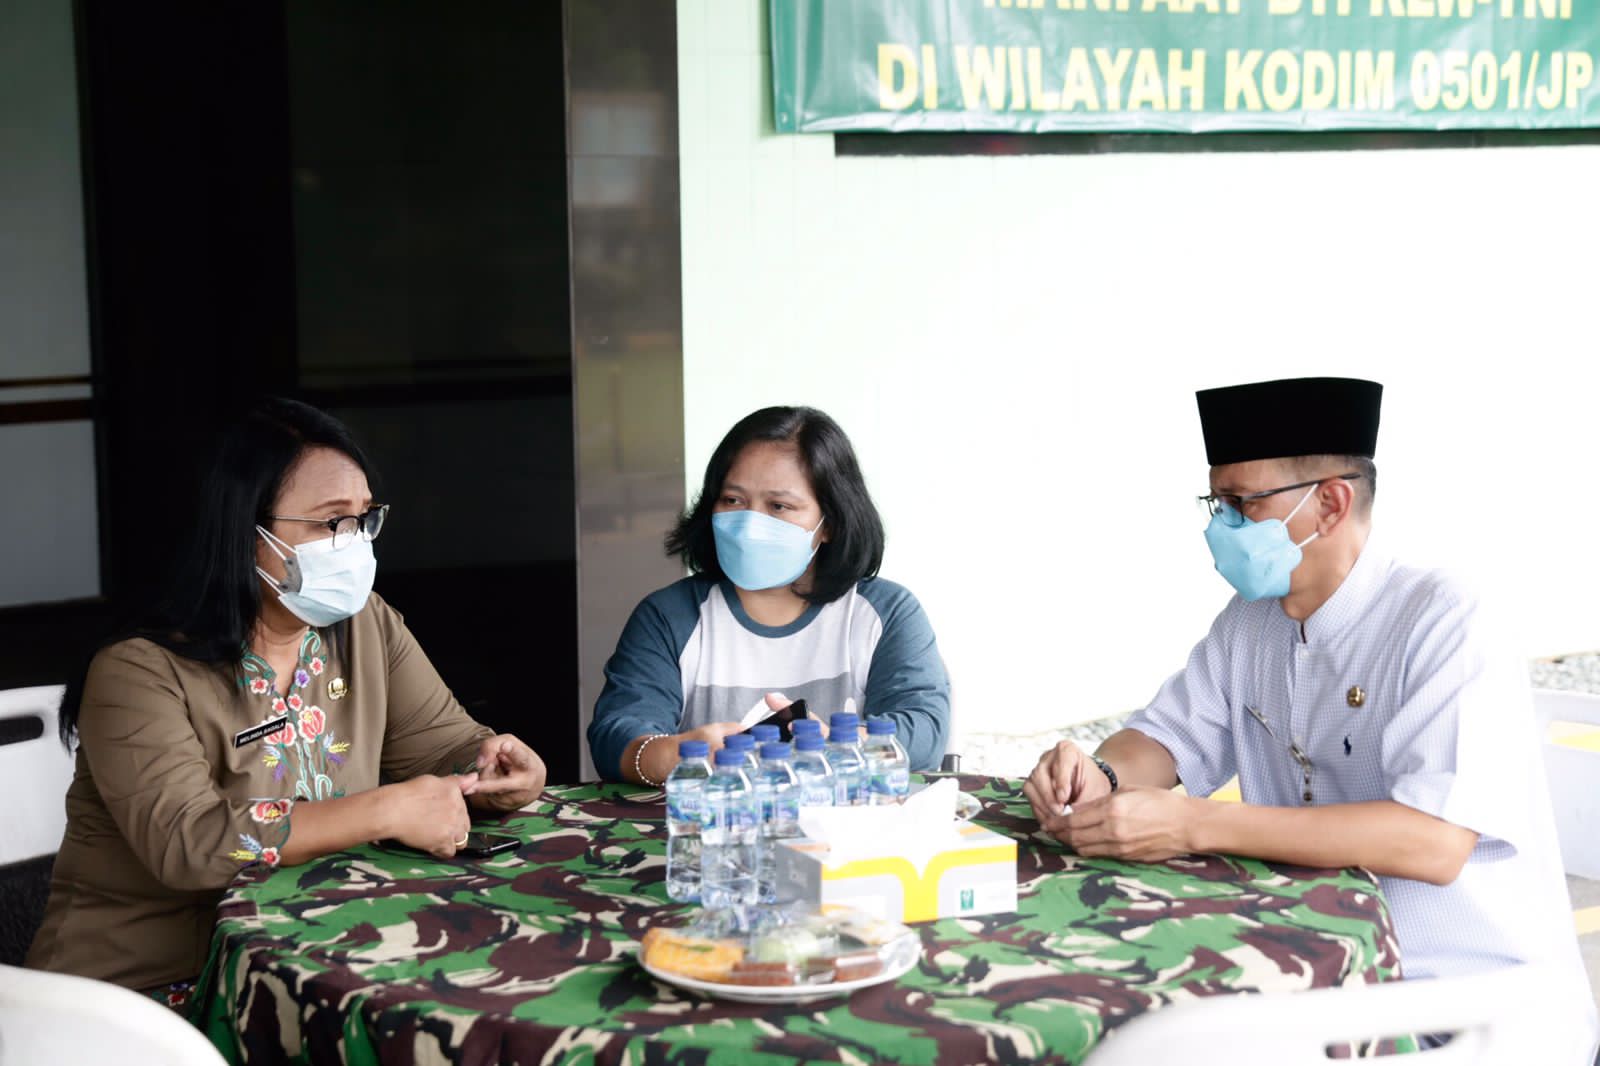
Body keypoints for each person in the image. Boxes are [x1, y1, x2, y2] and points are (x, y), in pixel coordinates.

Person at [1024, 376, 1597, 1060]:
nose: (1220, 528)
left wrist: (1192, 823)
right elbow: (1167, 737)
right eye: (1215, 504)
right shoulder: (1250, 623)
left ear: (1329, 503)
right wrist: (1100, 774)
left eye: (1242, 504)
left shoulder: (1443, 617)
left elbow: (1433, 843)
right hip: (1317, 969)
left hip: (1464, 1005)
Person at [26, 398, 547, 1000]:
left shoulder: (364, 625)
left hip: (318, 961)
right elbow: (188, 843)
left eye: (363, 519)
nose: (352, 543)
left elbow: (438, 743)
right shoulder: (137, 671)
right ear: (243, 532)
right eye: (331, 523)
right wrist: (384, 810)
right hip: (144, 992)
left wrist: (491, 768)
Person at [588, 405, 950, 785]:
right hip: (712, 816)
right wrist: (674, 754)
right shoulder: (668, 615)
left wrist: (836, 744)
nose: (750, 524)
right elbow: (616, 737)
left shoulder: (885, 613)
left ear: (830, 522)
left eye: (778, 506)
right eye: (733, 500)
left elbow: (924, 731)